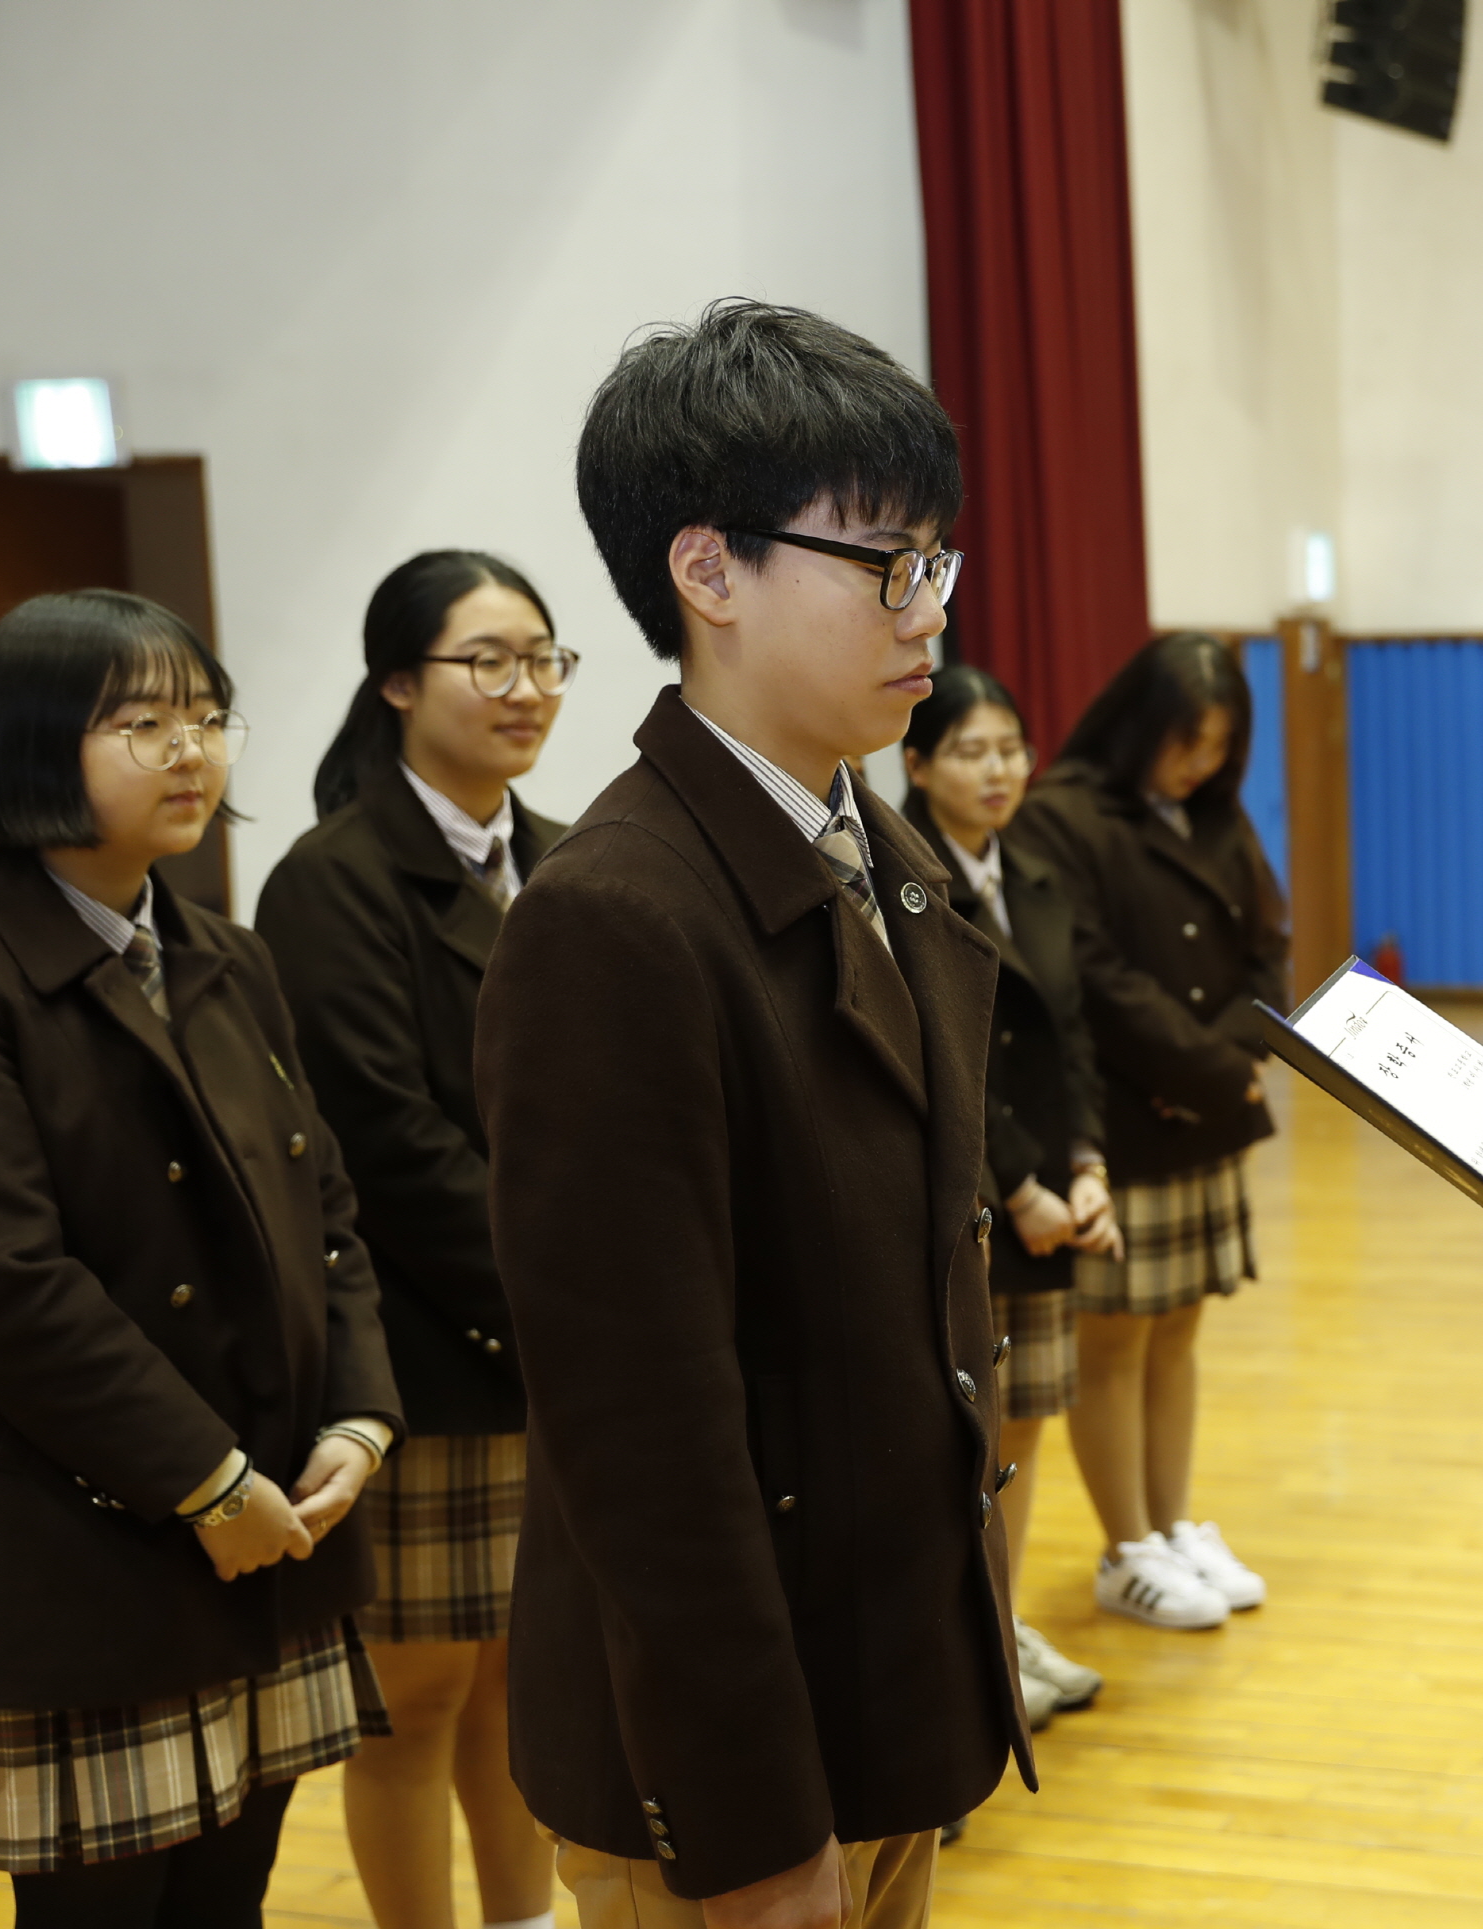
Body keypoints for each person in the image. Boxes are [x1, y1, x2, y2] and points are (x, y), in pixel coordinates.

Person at [476, 299, 1028, 1929]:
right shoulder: (619, 915)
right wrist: (747, 1820)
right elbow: (643, 1436)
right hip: (726, 1768)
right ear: (708, 572)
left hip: (887, 1695)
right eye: (887, 564)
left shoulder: (878, 842)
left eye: (939, 561)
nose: (930, 610)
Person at [0, 590, 403, 1927]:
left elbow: (328, 1212)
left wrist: (361, 1417)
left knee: (225, 1903)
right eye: (139, 722)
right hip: (89, 1544)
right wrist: (204, 1481)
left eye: (205, 716)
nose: (191, 750)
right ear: (31, 747)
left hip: (266, 1520)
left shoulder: (226, 956)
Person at [253, 551, 575, 1929]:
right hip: (426, 1345)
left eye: (544, 660)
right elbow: (384, 1143)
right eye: (487, 661)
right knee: (414, 1690)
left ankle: (519, 1918)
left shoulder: (563, 858)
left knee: (525, 1669)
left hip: (560, 1331)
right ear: (396, 683)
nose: (525, 690)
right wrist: (569, 1286)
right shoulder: (330, 881)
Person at [1008, 633, 1289, 1631]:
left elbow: (1268, 939)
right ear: (1135, 725)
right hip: (1125, 1121)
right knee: (1114, 1341)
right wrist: (1210, 1068)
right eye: (1183, 742)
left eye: (1216, 746)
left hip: (1204, 1113)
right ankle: (1123, 1547)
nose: (1198, 766)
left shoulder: (1215, 815)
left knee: (1180, 1328)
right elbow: (1090, 976)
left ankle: (1172, 1529)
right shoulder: (1063, 816)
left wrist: (1242, 1047)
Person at [900, 665, 1119, 1724]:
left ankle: (1004, 1614)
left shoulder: (1027, 870)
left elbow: (1070, 1038)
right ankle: (971, 1636)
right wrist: (1021, 1183)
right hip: (973, 1202)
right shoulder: (898, 878)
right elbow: (943, 1059)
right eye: (970, 751)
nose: (998, 771)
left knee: (1025, 1418)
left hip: (1044, 1191)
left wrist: (1086, 1165)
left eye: (1010, 749)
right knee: (972, 1430)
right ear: (915, 765)